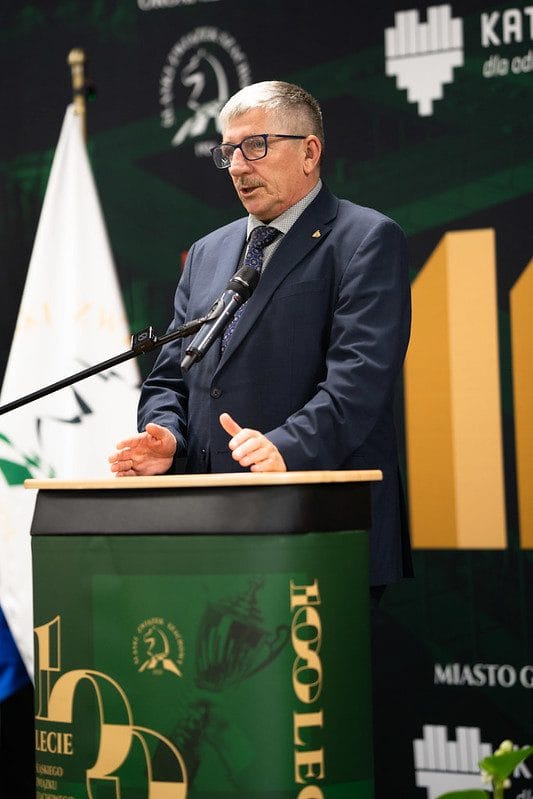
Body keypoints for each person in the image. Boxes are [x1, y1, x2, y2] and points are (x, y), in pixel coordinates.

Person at [109, 80, 412, 590]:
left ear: (309, 152)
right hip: (205, 524)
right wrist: (168, 437)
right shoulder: (207, 252)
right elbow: (170, 378)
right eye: (228, 151)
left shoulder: (364, 239)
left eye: (255, 146)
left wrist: (285, 448)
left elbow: (359, 383)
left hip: (315, 521)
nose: (237, 166)